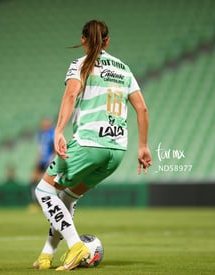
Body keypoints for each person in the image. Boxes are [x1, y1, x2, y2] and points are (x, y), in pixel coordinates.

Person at [32, 19, 152, 270]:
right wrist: (143, 146)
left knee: (43, 191)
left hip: (89, 144)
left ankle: (76, 246)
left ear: (83, 40)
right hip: (117, 152)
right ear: (108, 41)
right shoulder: (123, 68)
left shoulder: (81, 65)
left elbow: (71, 94)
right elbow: (141, 107)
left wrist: (58, 130)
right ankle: (46, 255)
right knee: (66, 198)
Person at [28, 118, 55, 209]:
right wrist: (38, 159)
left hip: (49, 161)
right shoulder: (41, 134)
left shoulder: (52, 134)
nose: (44, 126)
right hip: (42, 161)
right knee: (33, 179)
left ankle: (51, 202)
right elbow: (41, 149)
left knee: (48, 182)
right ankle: (36, 202)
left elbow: (54, 148)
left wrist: (51, 160)